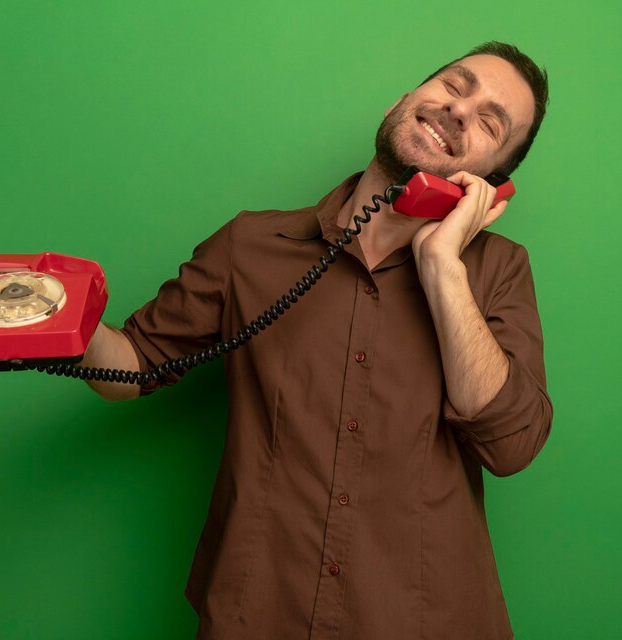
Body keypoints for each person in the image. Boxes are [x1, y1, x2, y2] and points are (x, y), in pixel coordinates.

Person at [82, 41, 552, 640]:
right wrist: (53, 318)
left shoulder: (498, 271)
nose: (460, 112)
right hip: (259, 614)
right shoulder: (250, 246)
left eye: (489, 123)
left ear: (490, 182)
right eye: (454, 88)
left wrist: (441, 265)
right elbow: (132, 366)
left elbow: (511, 445)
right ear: (404, 101)